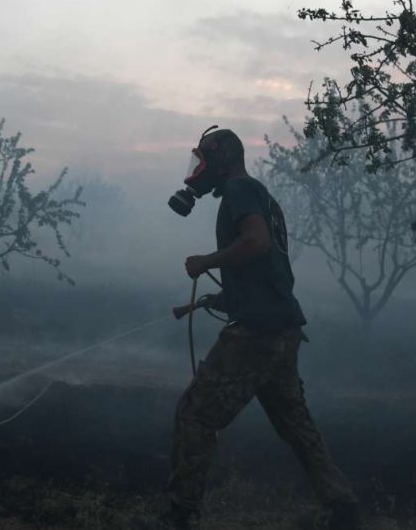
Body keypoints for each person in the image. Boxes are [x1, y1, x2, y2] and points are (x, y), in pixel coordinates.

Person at [158, 127, 360, 530]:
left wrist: (206, 263)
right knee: (295, 425)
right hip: (281, 327)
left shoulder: (239, 190)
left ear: (222, 159)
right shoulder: (259, 195)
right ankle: (342, 507)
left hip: (257, 333)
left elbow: (256, 244)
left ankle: (179, 518)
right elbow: (267, 267)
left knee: (195, 415)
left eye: (203, 161)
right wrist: (222, 298)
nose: (197, 173)